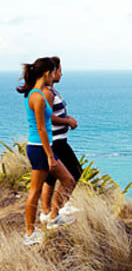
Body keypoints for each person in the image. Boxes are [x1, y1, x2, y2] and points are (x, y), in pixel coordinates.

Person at [17, 57, 75, 245]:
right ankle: (29, 234)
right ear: (47, 73)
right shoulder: (37, 96)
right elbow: (41, 128)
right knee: (34, 191)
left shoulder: (37, 94)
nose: (55, 76)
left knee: (68, 180)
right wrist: (50, 155)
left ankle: (52, 217)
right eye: (53, 72)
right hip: (39, 149)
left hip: (41, 148)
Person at [40, 56, 82, 222]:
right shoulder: (47, 93)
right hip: (57, 141)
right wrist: (67, 122)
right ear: (52, 72)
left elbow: (55, 113)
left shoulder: (52, 91)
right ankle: (59, 209)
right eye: (60, 71)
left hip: (57, 139)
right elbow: (47, 117)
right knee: (75, 172)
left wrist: (67, 117)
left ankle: (46, 212)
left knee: (50, 178)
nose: (61, 74)